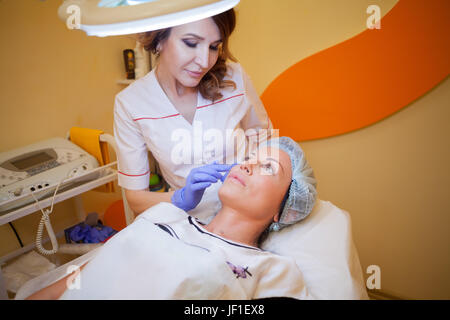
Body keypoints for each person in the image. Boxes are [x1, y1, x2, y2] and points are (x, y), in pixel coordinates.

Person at [26, 137, 317, 300]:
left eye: (268, 166)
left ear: (284, 207)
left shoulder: (271, 269)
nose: (249, 165)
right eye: (250, 157)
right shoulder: (165, 216)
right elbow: (82, 277)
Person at [114, 8, 273, 220]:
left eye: (214, 46)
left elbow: (266, 139)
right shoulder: (131, 104)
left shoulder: (234, 78)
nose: (205, 61)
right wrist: (181, 198)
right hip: (188, 220)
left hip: (249, 210)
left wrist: (260, 177)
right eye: (191, 43)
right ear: (159, 39)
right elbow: (136, 198)